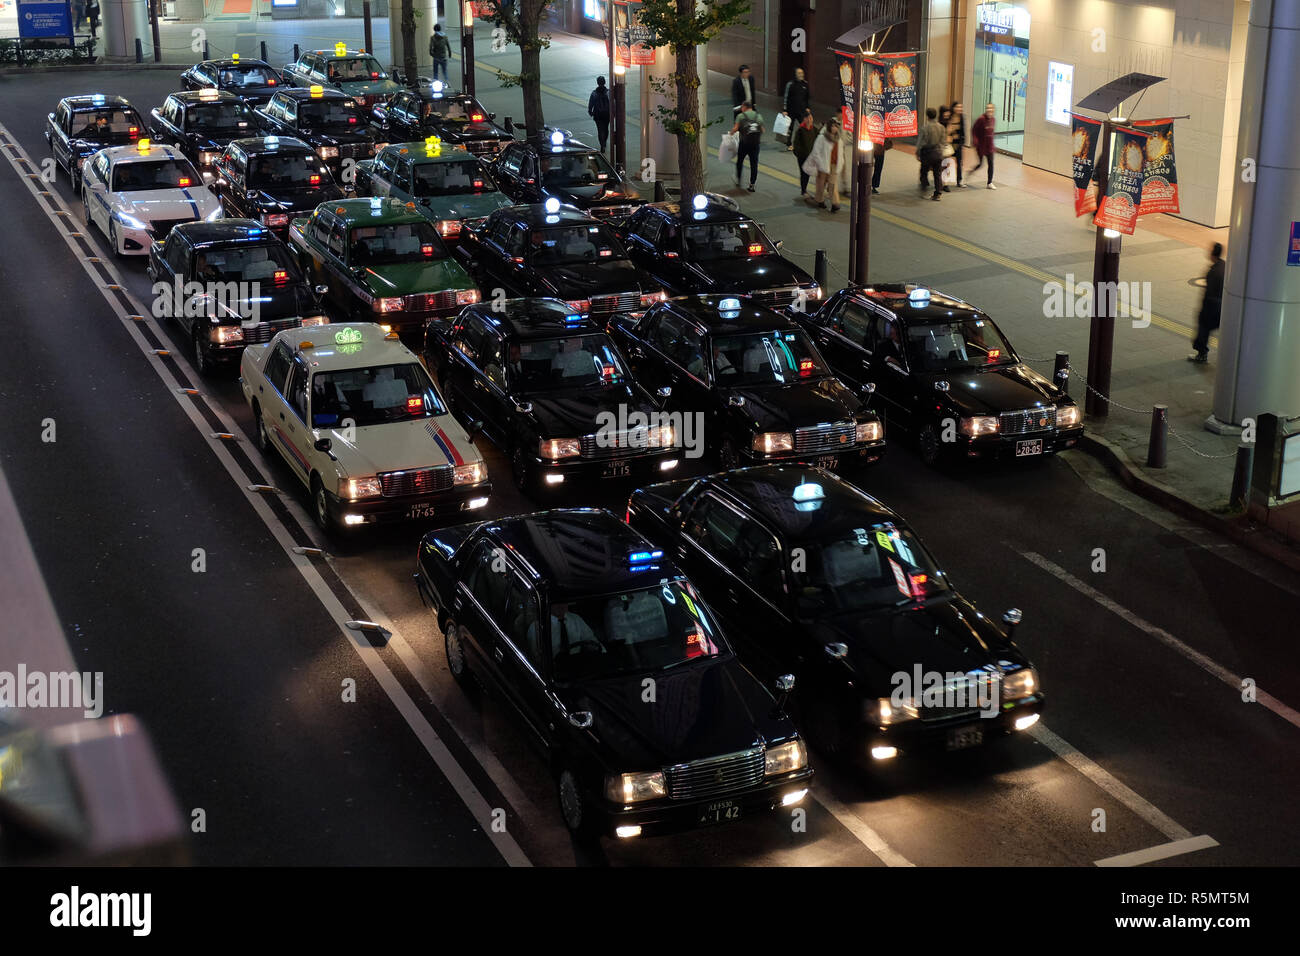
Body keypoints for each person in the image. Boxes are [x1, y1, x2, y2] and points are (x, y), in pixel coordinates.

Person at [1189, 242, 1225, 363]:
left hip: (1212, 307)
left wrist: (1203, 309)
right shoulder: (1223, 266)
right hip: (1222, 306)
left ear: (1212, 254)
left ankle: (1201, 354)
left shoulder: (1214, 271)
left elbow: (1209, 293)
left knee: (1203, 330)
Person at [802, 117, 845, 212]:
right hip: (823, 165)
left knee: (832, 184)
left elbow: (841, 154)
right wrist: (820, 164)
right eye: (833, 126)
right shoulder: (822, 137)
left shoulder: (839, 139)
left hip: (834, 165)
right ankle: (819, 201)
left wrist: (841, 163)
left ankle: (835, 203)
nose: (835, 128)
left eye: (836, 126)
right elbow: (816, 152)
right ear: (829, 127)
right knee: (820, 184)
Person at [731, 101, 763, 192]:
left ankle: (738, 179)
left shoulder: (741, 116)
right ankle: (752, 184)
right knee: (754, 164)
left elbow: (735, 128)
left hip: (744, 143)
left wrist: (731, 133)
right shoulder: (758, 116)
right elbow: (762, 130)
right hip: (755, 144)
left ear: (744, 107)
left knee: (740, 161)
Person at [916, 107, 945, 201]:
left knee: (924, 171)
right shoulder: (941, 127)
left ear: (927, 116)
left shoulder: (925, 128)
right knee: (937, 174)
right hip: (938, 152)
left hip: (927, 153)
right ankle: (938, 193)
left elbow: (921, 142)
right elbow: (943, 141)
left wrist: (918, 152)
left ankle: (924, 189)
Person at [791, 110, 818, 196]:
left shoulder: (814, 129)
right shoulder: (800, 130)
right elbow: (796, 144)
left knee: (808, 173)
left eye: (811, 118)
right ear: (804, 119)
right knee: (803, 173)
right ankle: (803, 190)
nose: (809, 120)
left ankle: (804, 189)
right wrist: (800, 154)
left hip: (811, 157)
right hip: (802, 157)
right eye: (807, 118)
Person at [970, 102, 996, 189]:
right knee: (980, 164)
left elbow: (991, 133)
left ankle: (989, 182)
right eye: (988, 108)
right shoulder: (981, 119)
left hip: (990, 147)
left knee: (991, 164)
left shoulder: (993, 120)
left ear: (993, 110)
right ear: (986, 110)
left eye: (991, 109)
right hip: (981, 146)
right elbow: (974, 130)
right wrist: (975, 141)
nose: (989, 110)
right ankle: (970, 172)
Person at [588, 76, 611, 152]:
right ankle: (604, 142)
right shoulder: (608, 92)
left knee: (600, 130)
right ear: (604, 82)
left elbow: (591, 103)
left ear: (597, 83)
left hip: (597, 114)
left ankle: (602, 144)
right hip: (607, 114)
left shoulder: (594, 93)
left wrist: (590, 111)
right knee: (606, 128)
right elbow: (612, 102)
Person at [948, 101, 967, 188]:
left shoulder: (962, 117)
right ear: (954, 108)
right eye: (958, 107)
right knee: (947, 162)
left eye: (961, 107)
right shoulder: (950, 117)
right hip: (950, 144)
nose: (960, 109)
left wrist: (963, 143)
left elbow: (963, 132)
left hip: (958, 144)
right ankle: (945, 182)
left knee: (959, 163)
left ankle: (959, 181)